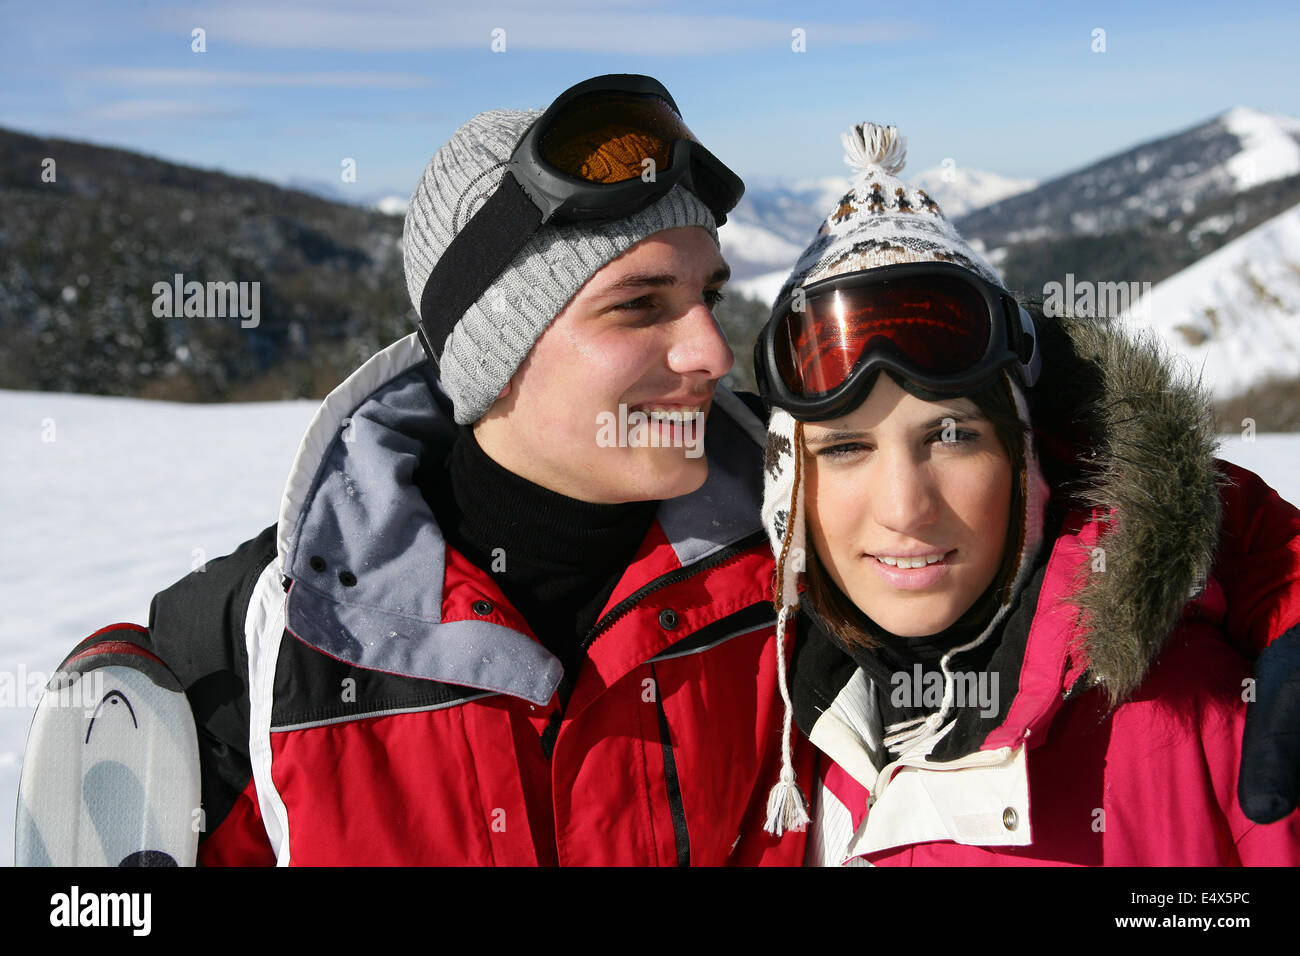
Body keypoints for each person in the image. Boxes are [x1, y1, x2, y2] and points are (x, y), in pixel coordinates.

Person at [26, 74, 814, 866]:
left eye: (708, 296)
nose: (712, 350)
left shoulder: (801, 580)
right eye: (640, 305)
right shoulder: (261, 657)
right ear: (494, 354)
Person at [753, 121, 1300, 864]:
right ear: (790, 500)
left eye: (952, 436)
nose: (905, 508)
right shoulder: (773, 728)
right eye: (846, 448)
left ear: (1028, 464)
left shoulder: (1214, 727)